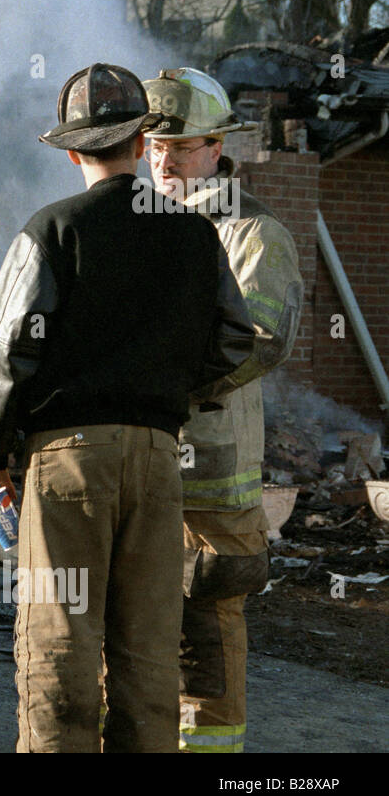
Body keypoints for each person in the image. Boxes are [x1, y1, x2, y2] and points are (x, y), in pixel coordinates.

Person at [0, 63, 255, 752]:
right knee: (148, 644)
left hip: (67, 465)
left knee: (60, 638)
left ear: (71, 150)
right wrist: (166, 389)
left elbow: (3, 351)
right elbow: (237, 339)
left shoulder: (51, 228)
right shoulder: (194, 236)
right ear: (141, 137)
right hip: (159, 462)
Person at [143, 67, 303, 754]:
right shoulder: (147, 225)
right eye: (153, 147)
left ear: (217, 148)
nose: (164, 160)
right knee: (135, 616)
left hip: (211, 472)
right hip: (141, 460)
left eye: (179, 147)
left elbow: (263, 340)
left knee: (207, 616)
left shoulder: (251, 232)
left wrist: (163, 385)